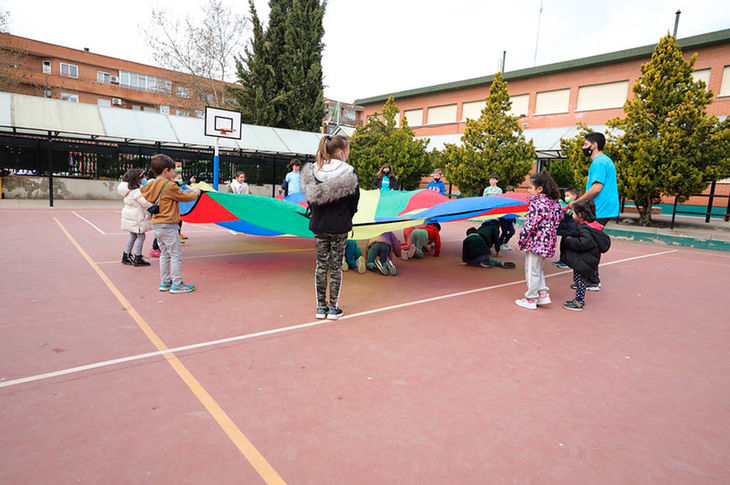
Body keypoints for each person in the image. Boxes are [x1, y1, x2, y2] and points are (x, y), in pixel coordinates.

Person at [301, 135, 360, 320]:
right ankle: (333, 309)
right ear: (342, 152)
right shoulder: (349, 172)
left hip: (319, 225)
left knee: (321, 265)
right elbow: (354, 203)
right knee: (335, 267)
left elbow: (311, 200)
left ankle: (320, 307)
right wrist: (346, 217)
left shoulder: (314, 170)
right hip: (339, 226)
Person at [141, 154, 201, 294]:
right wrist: (196, 191)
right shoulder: (169, 186)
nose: (176, 173)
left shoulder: (151, 185)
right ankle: (177, 284)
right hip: (168, 224)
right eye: (174, 170)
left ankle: (165, 281)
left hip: (157, 224)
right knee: (176, 255)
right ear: (166, 170)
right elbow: (187, 196)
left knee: (165, 254)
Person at [568, 132, 619, 291]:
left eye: (585, 144)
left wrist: (577, 202)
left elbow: (597, 187)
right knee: (593, 241)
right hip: (605, 207)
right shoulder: (606, 161)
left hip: (600, 207)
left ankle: (592, 280)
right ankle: (591, 279)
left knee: (589, 242)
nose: (583, 148)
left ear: (594, 145)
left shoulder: (598, 162)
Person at [514, 171, 564, 310]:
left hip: (536, 243)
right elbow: (559, 219)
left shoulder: (537, 203)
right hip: (548, 243)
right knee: (538, 269)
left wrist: (520, 242)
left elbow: (530, 225)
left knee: (531, 270)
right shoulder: (554, 203)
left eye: (530, 187)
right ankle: (542, 294)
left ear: (540, 189)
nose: (528, 190)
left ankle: (531, 299)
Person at [562, 200, 611, 311]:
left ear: (579, 215)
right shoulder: (592, 226)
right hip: (587, 259)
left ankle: (579, 302)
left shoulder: (584, 228)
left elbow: (584, 242)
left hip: (584, 260)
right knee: (580, 280)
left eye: (573, 213)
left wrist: (569, 240)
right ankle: (578, 300)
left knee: (579, 280)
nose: (572, 215)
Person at [118, 168, 153, 267]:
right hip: (137, 217)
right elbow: (146, 203)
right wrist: (155, 205)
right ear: (136, 179)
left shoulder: (128, 190)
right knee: (141, 236)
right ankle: (138, 257)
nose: (144, 178)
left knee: (133, 236)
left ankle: (126, 255)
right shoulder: (135, 191)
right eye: (142, 177)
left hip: (131, 216)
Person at [553, 187, 580, 268]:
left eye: (568, 195)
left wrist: (568, 210)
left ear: (574, 196)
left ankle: (567, 262)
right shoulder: (567, 205)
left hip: (572, 230)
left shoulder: (576, 205)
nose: (566, 197)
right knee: (563, 245)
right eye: (565, 195)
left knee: (568, 246)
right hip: (567, 229)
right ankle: (562, 260)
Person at [498, 185, 517, 251]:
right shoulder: (503, 199)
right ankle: (499, 244)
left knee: (512, 232)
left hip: (510, 219)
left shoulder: (515, 200)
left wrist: (516, 216)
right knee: (505, 232)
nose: (510, 195)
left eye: (511, 193)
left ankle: (505, 243)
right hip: (503, 218)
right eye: (508, 193)